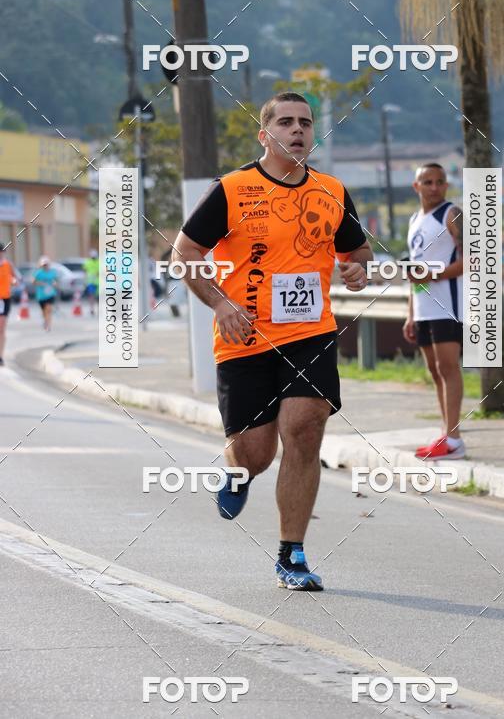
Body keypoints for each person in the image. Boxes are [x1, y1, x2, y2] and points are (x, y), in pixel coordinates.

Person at [173, 91, 372, 592]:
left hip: (310, 334)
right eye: (286, 122)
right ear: (265, 135)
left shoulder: (331, 191)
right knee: (256, 453)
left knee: (304, 429)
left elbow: (358, 250)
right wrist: (220, 303)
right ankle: (238, 472)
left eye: (305, 122)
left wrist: (355, 269)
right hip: (245, 338)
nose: (298, 130)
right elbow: (186, 251)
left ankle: (292, 553)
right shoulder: (233, 189)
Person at [402, 163, 465, 459]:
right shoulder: (415, 219)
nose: (435, 187)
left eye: (440, 182)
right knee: (435, 372)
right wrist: (410, 313)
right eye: (427, 182)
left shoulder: (452, 214)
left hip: (448, 305)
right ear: (416, 186)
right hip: (424, 307)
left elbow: (473, 259)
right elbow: (415, 272)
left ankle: (454, 438)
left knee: (448, 368)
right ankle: (446, 434)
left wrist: (434, 275)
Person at [0, 243, 19, 366]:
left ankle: (0, 356)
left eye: (2, 252)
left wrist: (13, 281)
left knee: (1, 329)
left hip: (5, 299)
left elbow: (15, 279)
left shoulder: (8, 265)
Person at [34, 256, 59, 331]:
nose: (45, 266)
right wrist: (40, 283)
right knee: (44, 311)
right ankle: (45, 321)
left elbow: (56, 281)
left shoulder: (53, 272)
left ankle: (48, 326)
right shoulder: (38, 273)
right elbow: (33, 282)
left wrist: (55, 283)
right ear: (41, 265)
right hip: (41, 296)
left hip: (50, 294)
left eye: (46, 264)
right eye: (44, 265)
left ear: (49, 264)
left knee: (49, 309)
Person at [83, 249, 100, 316]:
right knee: (91, 296)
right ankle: (92, 309)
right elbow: (85, 271)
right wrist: (85, 280)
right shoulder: (87, 262)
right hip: (90, 282)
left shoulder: (99, 262)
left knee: (98, 297)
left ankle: (98, 309)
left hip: (98, 282)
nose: (93, 258)